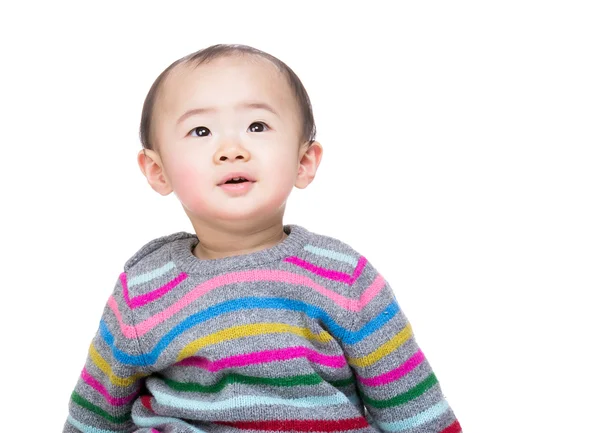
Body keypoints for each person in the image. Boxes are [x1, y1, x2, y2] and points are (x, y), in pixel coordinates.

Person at [63, 44, 461, 433]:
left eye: (257, 126)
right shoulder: (143, 289)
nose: (231, 150)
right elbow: (94, 416)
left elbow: (414, 410)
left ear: (303, 162)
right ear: (158, 171)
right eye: (200, 131)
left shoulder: (343, 277)